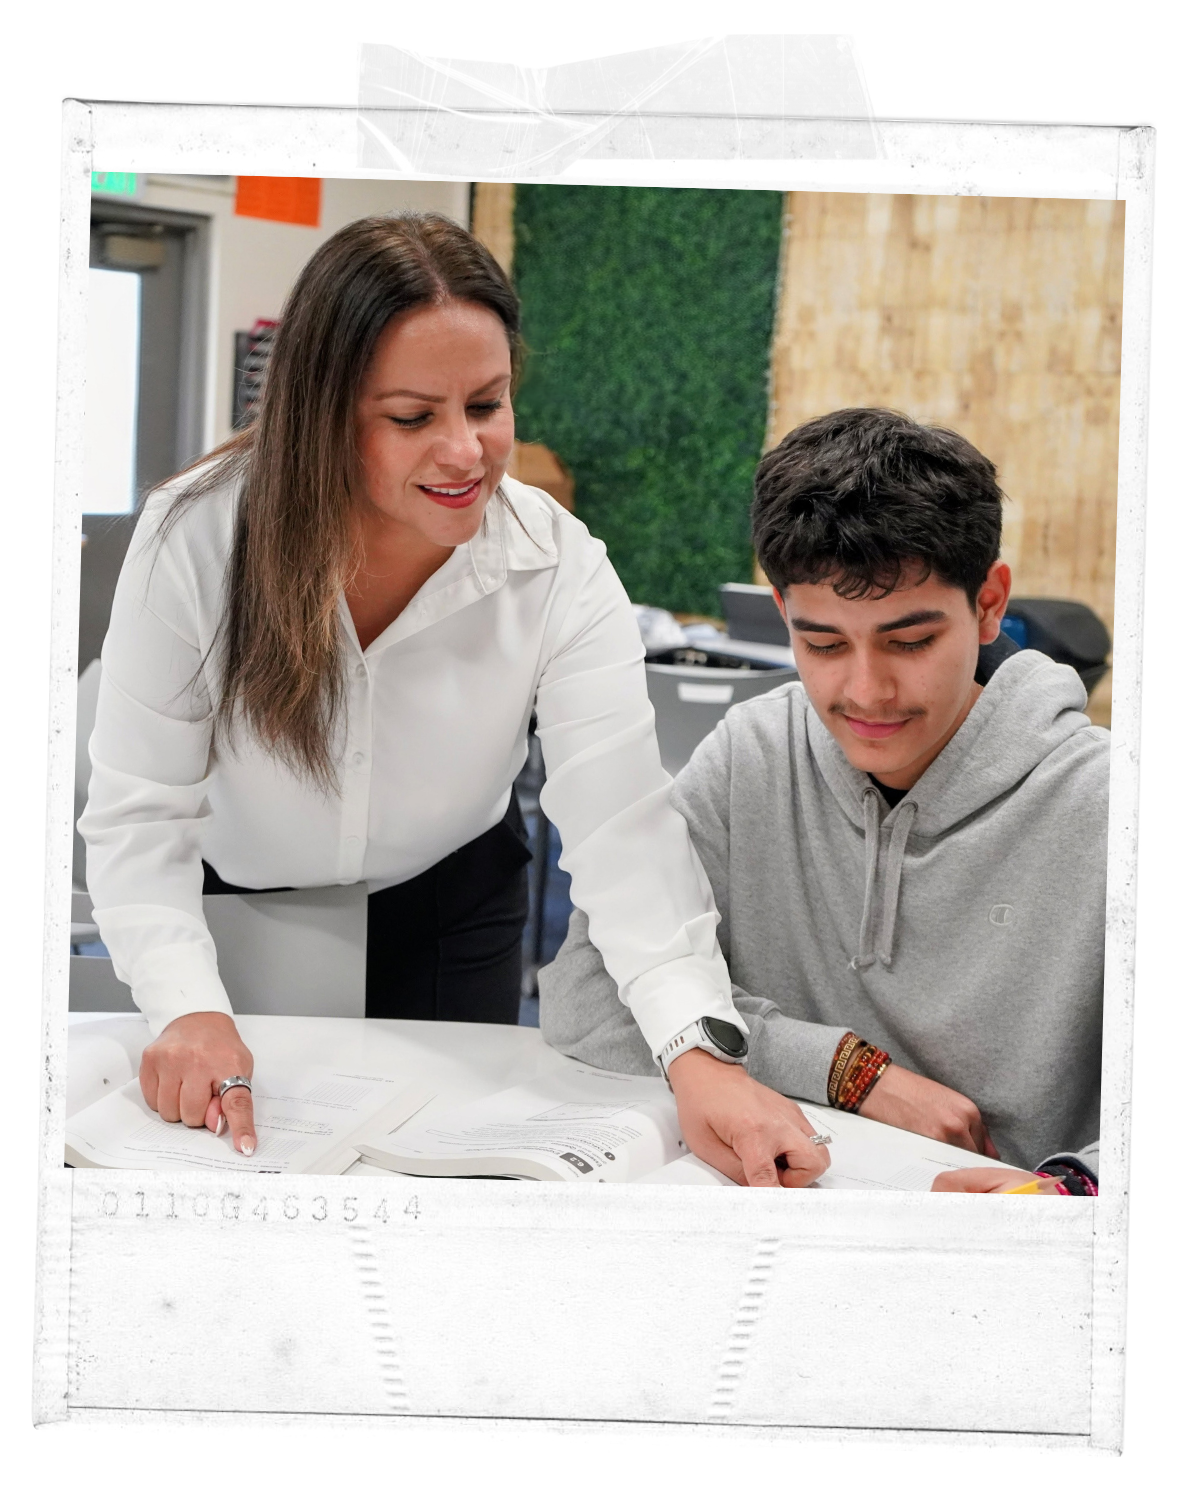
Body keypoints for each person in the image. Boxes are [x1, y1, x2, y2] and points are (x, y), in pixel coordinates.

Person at [79, 212, 830, 1184]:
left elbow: (624, 838)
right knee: (244, 1178)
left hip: (449, 905)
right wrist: (186, 1008)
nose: (465, 451)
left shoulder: (556, 565)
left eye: (487, 404)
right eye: (412, 417)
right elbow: (141, 813)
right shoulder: (197, 537)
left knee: (442, 1181)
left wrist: (697, 1053)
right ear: (324, 413)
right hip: (230, 906)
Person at [539, 408, 1105, 1196]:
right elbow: (581, 998)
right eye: (825, 644)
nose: (865, 692)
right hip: (781, 1232)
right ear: (783, 618)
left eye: (910, 642)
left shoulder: (1110, 806)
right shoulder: (753, 755)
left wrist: (1071, 1194)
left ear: (988, 604)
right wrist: (848, 1070)